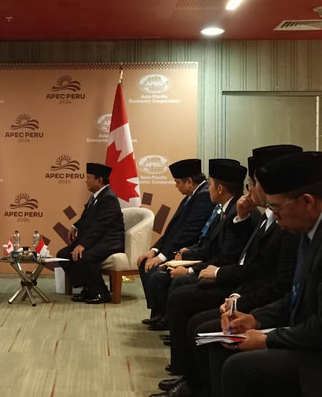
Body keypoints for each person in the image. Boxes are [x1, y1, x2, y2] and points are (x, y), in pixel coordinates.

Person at [153, 146, 301, 397]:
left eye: (252, 184)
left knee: (197, 318)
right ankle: (192, 381)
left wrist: (242, 303)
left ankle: (195, 384)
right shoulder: (256, 215)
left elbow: (269, 277)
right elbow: (249, 259)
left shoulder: (288, 224)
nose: (249, 191)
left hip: (262, 301)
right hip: (249, 291)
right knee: (192, 311)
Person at [209, 151, 322, 397]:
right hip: (301, 335)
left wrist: (266, 339)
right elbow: (295, 296)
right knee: (225, 347)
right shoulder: (306, 231)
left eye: (276, 208)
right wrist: (255, 319)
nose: (275, 217)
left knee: (238, 368)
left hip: (314, 352)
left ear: (308, 202)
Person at [138, 159, 216, 327]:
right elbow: (172, 230)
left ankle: (167, 317)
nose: (176, 186)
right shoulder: (191, 196)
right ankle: (159, 312)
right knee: (145, 262)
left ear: (189, 182)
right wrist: (154, 249)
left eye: (177, 182)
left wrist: (163, 257)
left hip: (188, 251)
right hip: (174, 247)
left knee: (155, 272)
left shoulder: (203, 197)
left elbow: (189, 232)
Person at [56, 163, 125, 304]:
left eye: (88, 178)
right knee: (63, 255)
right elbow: (87, 218)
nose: (86, 181)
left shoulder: (109, 197)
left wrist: (82, 244)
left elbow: (101, 225)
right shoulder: (97, 196)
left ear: (99, 180)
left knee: (84, 256)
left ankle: (101, 292)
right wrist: (75, 225)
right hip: (98, 239)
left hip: (109, 241)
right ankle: (88, 288)